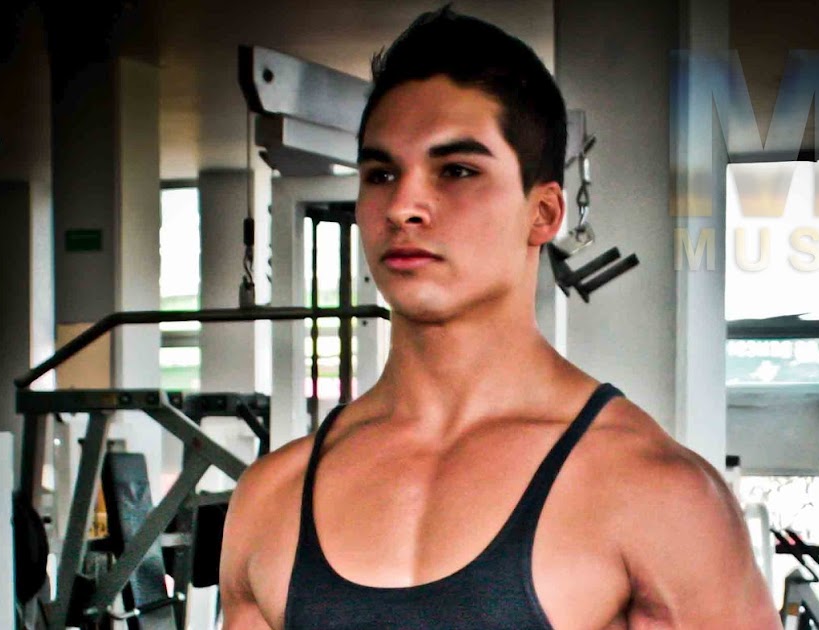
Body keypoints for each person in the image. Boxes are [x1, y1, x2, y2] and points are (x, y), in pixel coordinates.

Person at [221, 7, 779, 629]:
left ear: (544, 213)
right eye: (381, 173)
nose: (403, 205)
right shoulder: (271, 498)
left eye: (456, 170)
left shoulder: (655, 494)